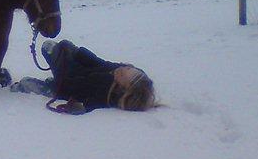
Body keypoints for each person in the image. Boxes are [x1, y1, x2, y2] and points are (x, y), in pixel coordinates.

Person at [11, 39, 156, 113]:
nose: (123, 67)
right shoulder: (117, 72)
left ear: (121, 87)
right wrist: (78, 52)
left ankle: (19, 87)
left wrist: (67, 60)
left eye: (124, 71)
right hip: (74, 75)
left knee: (28, 80)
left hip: (63, 87)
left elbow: (72, 83)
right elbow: (99, 62)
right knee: (59, 46)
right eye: (127, 66)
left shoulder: (102, 90)